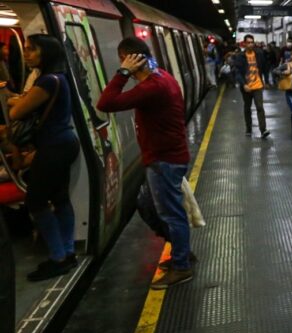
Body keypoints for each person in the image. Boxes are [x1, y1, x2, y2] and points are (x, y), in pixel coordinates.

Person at [96, 37, 193, 289]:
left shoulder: (153, 87)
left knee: (171, 214)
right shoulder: (162, 77)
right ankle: (182, 255)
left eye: (124, 60)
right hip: (166, 157)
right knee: (156, 207)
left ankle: (182, 266)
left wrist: (122, 73)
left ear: (129, 58)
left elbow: (105, 104)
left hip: (164, 160)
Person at [6, 34, 79, 281]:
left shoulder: (47, 81)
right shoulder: (60, 78)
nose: (26, 54)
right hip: (64, 144)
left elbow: (16, 112)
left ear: (45, 53)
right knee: (60, 199)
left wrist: (16, 101)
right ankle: (68, 253)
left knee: (36, 203)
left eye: (31, 50)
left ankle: (58, 257)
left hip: (52, 147)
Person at [233, 34, 269, 138]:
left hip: (257, 85)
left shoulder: (259, 54)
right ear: (244, 44)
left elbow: (265, 68)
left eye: (252, 42)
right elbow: (237, 72)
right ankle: (248, 129)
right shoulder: (240, 56)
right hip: (246, 87)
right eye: (248, 42)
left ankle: (263, 130)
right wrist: (244, 84)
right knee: (247, 108)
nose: (250, 44)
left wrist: (265, 81)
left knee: (260, 107)